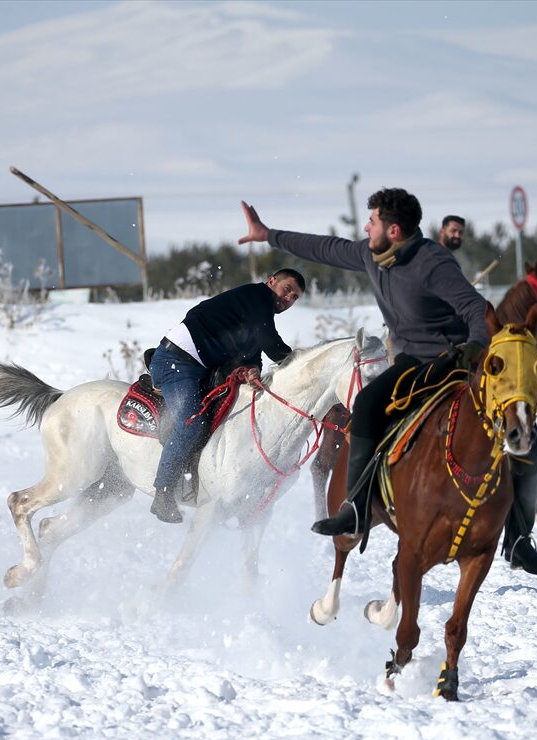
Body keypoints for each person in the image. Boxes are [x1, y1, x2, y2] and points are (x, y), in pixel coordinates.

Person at [238, 188, 489, 537]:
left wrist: (476, 345)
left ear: (394, 231)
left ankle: (519, 532)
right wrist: (268, 235)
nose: (367, 227)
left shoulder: (433, 262)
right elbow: (325, 248)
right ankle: (356, 508)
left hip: (452, 357)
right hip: (409, 360)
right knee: (367, 403)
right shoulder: (372, 254)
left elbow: (475, 308)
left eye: (372, 221)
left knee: (513, 416)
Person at [148, 269, 305, 524]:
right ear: (271, 281)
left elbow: (254, 350)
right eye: (287, 289)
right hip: (177, 361)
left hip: (201, 366)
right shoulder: (257, 297)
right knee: (192, 423)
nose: (288, 298)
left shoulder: (255, 310)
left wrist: (253, 367)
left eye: (295, 297)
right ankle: (163, 492)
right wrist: (300, 365)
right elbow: (270, 342)